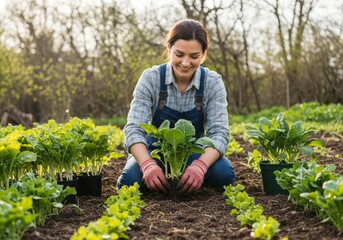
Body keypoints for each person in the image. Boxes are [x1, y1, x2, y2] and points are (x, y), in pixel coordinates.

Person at [117, 19, 235, 194]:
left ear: (203, 54)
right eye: (179, 54)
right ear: (169, 49)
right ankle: (160, 175)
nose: (186, 63)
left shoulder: (212, 82)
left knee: (224, 175)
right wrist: (148, 164)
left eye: (194, 56)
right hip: (156, 151)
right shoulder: (151, 78)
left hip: (193, 151)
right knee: (130, 181)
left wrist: (200, 166)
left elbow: (219, 133)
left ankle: (188, 177)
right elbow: (134, 129)